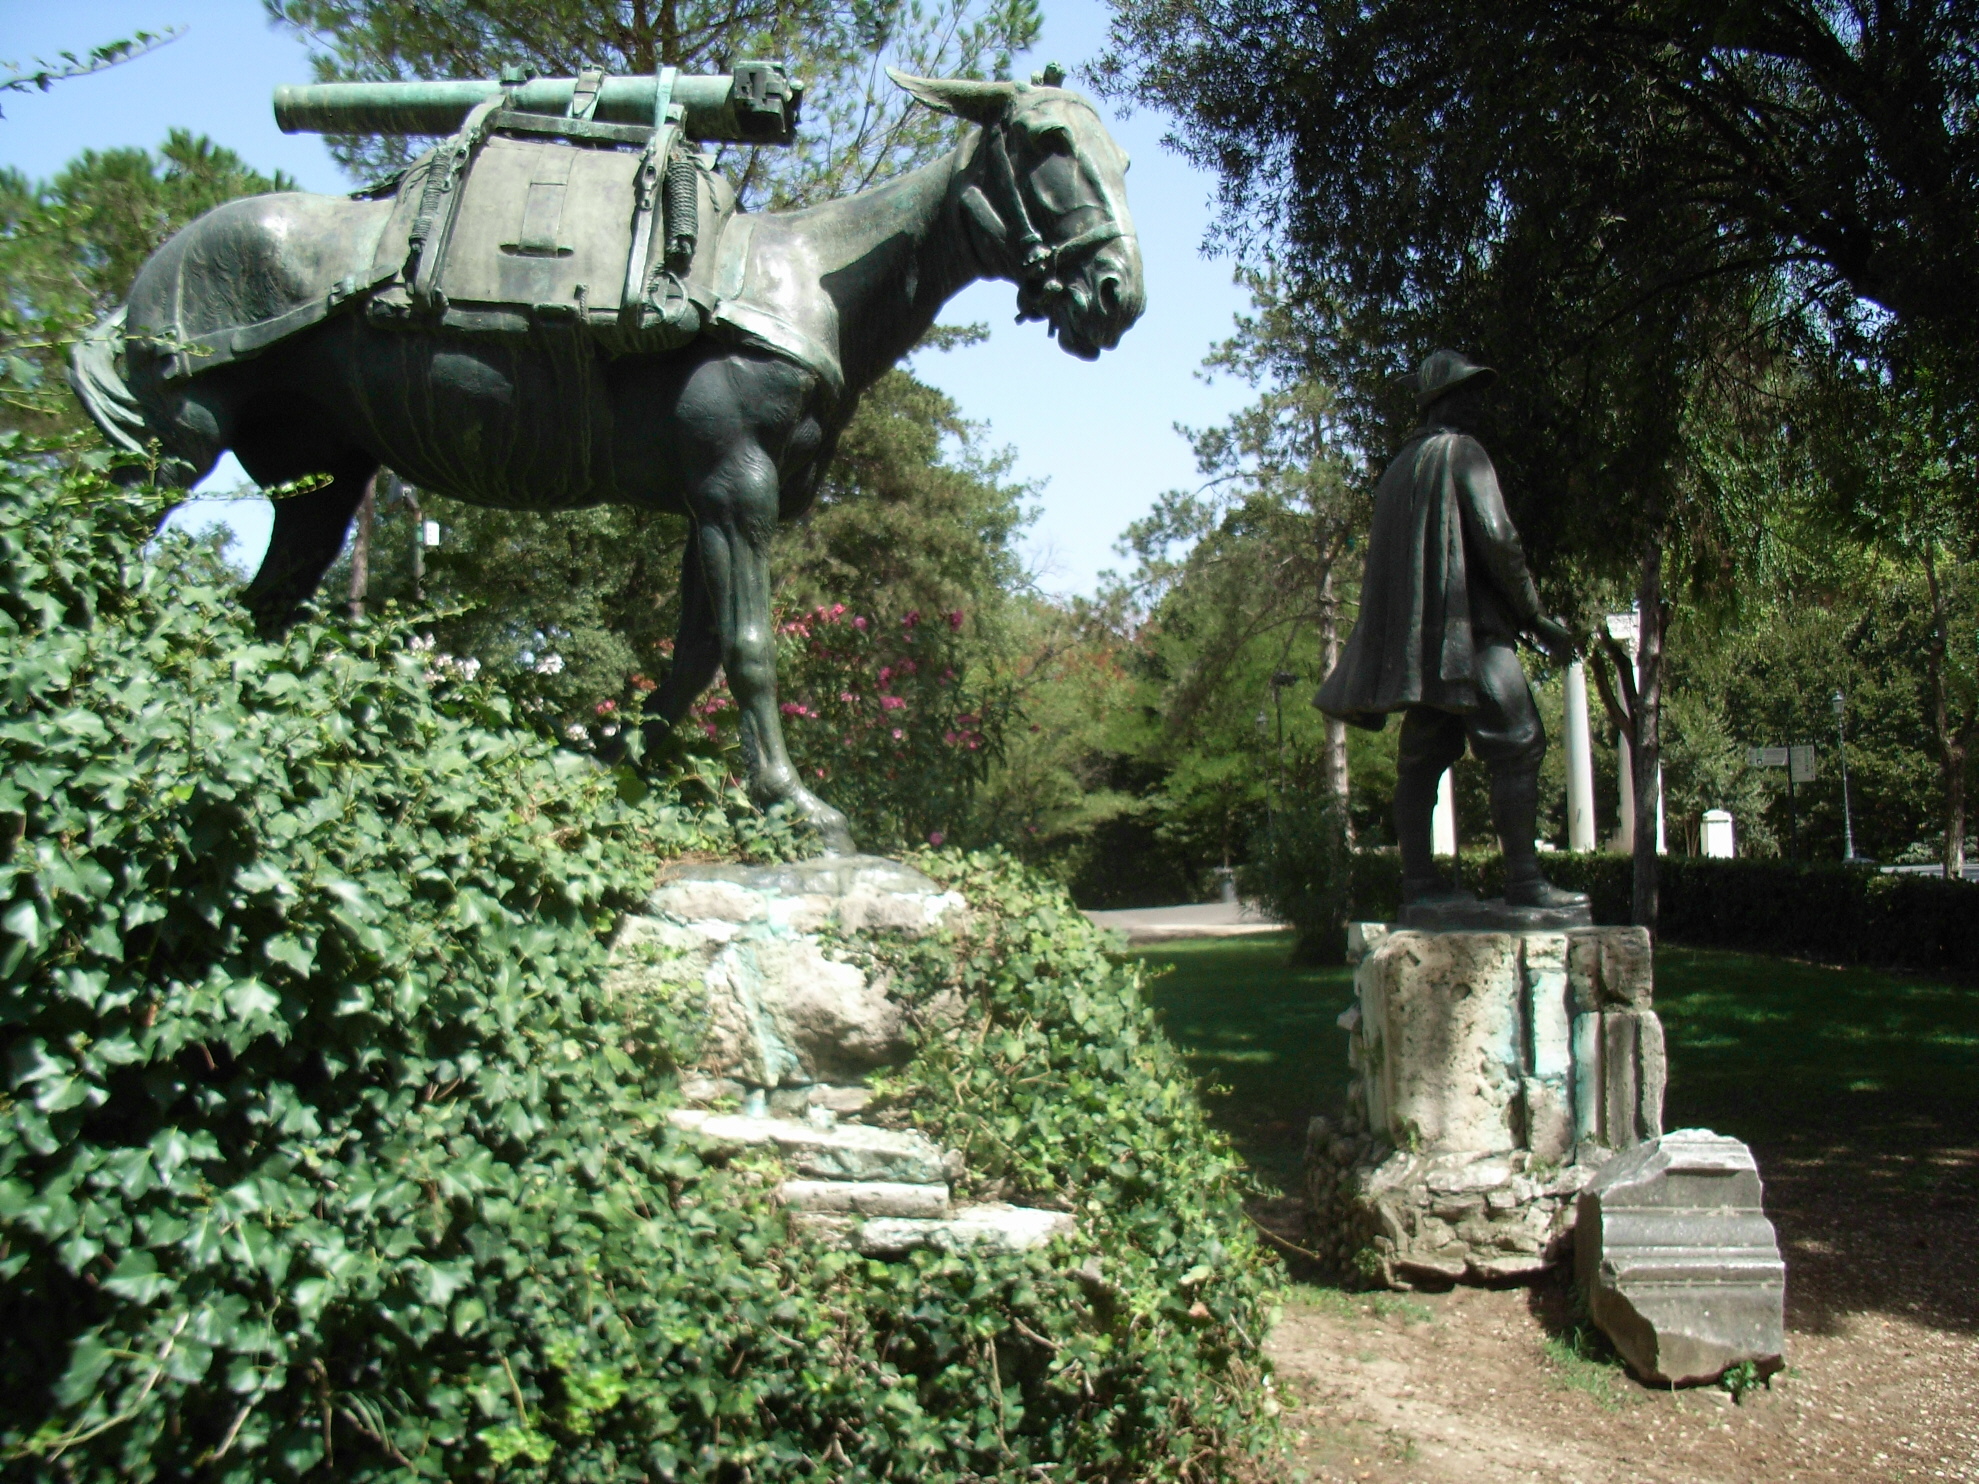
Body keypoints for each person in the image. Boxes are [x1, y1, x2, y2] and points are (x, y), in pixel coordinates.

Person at [1316, 349, 1588, 911]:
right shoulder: (1462, 453)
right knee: (1518, 746)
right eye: (1466, 392)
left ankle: (1418, 886)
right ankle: (1524, 881)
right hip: (1474, 640)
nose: (1475, 403)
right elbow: (1498, 537)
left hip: (1425, 651)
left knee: (1420, 759)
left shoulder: (1397, 472)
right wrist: (1535, 615)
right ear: (1443, 400)